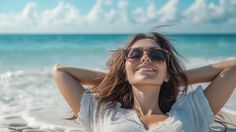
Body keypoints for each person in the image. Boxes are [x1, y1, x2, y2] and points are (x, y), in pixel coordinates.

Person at [52, 32, 236, 132]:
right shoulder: (102, 112)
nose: (146, 58)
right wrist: (122, 78)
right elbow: (61, 72)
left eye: (156, 55)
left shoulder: (192, 111)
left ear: (167, 71)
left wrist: (173, 78)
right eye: (136, 54)